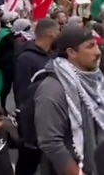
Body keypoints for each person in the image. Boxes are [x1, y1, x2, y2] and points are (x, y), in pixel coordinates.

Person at [35, 26, 104, 175]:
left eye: (97, 45)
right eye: (90, 46)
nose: (98, 52)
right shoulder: (52, 88)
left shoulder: (95, 79)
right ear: (71, 53)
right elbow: (50, 141)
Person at [14, 18, 60, 175]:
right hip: (32, 123)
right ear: (51, 34)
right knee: (28, 162)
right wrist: (25, 125)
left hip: (50, 120)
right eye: (58, 30)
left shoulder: (53, 56)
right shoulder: (26, 58)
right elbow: (21, 94)